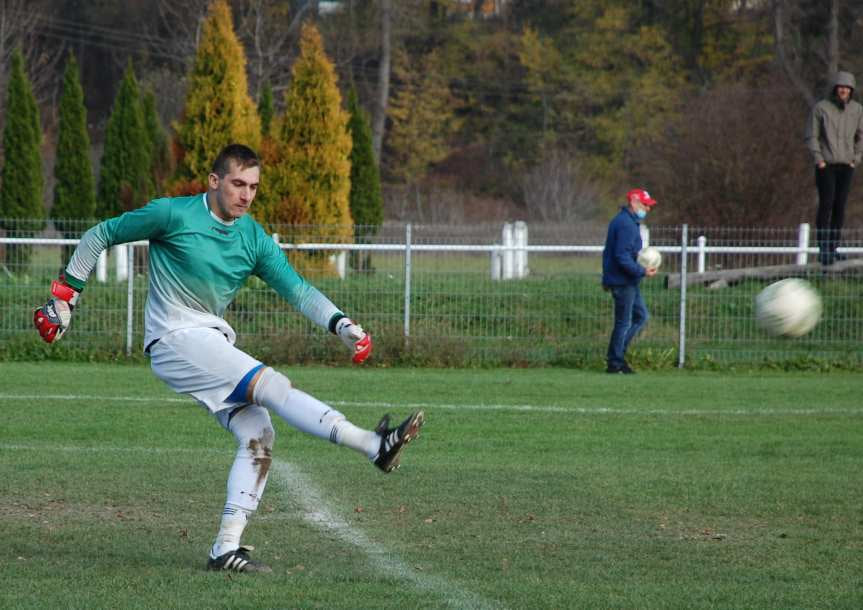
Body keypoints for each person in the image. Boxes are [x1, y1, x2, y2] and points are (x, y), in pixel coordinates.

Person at [33, 143, 424, 574]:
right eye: (238, 183)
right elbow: (99, 235)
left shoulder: (253, 237)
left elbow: (297, 290)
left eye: (253, 186)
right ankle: (373, 445)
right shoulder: (174, 214)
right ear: (215, 181)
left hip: (208, 343)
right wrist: (65, 295)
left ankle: (226, 548)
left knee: (259, 435)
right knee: (271, 386)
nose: (246, 194)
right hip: (174, 338)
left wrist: (341, 324)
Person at [805, 70, 863, 266]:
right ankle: (823, 248)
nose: (844, 90)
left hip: (846, 165)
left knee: (840, 206)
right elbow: (811, 135)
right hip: (826, 165)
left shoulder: (857, 110)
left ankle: (834, 247)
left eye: (847, 88)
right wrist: (819, 159)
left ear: (851, 90)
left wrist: (855, 158)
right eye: (841, 87)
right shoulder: (821, 108)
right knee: (826, 204)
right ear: (835, 89)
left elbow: (861, 136)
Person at [601, 188, 658, 374]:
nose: (647, 209)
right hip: (623, 281)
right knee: (624, 323)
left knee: (641, 316)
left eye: (648, 206)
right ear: (634, 202)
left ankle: (617, 357)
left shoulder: (627, 222)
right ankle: (615, 362)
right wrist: (642, 270)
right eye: (645, 205)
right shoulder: (625, 224)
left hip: (628, 280)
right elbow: (621, 257)